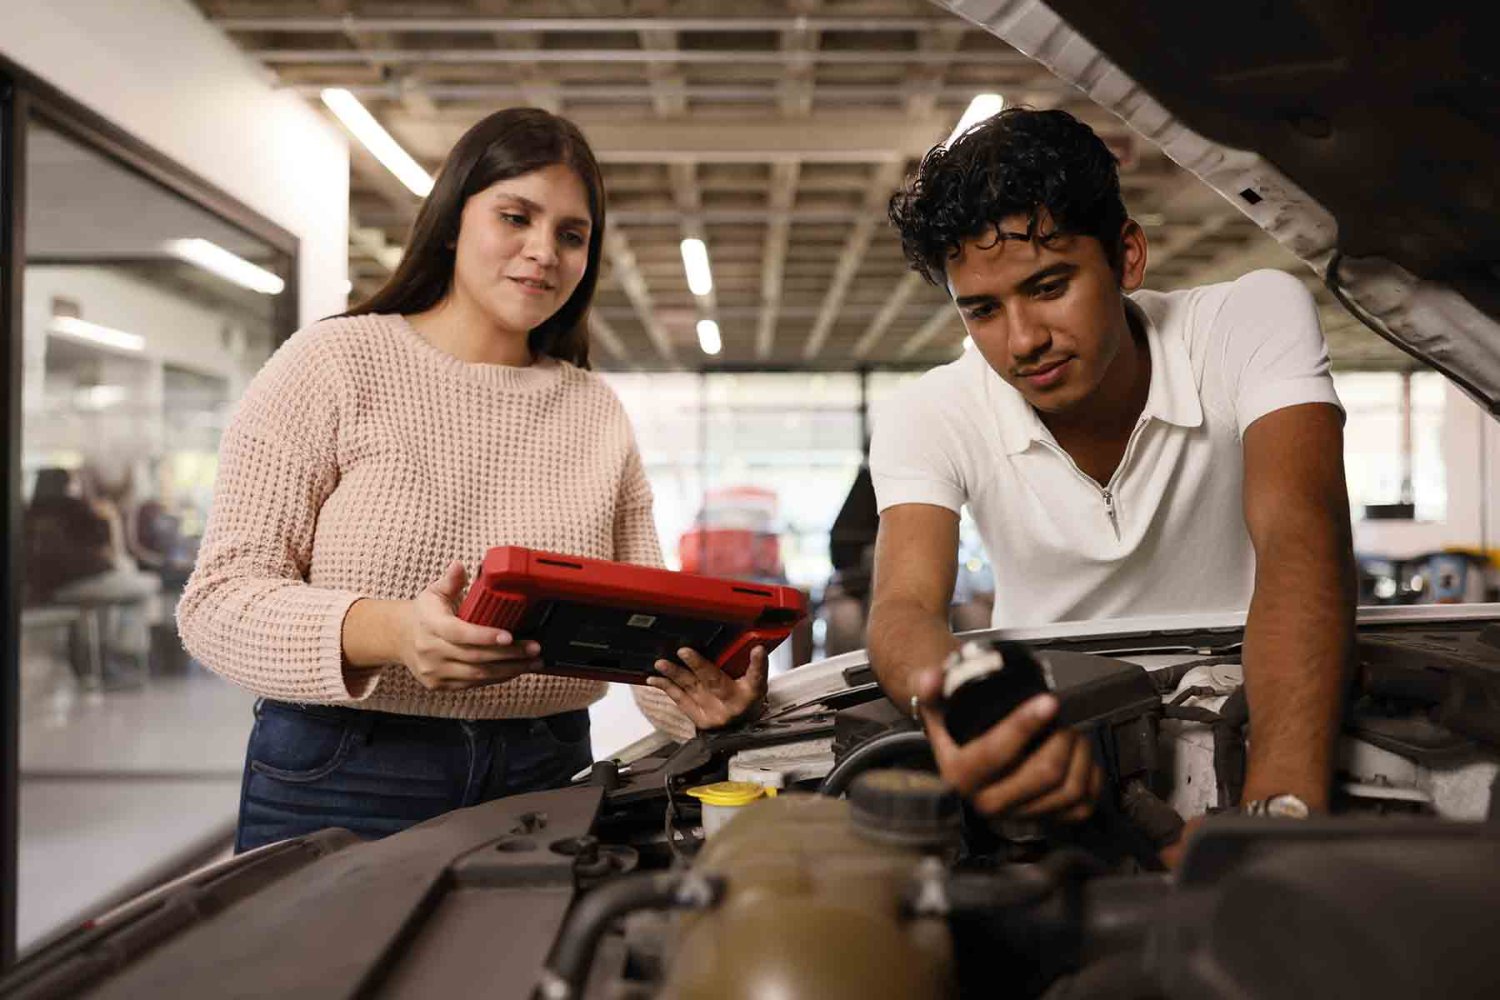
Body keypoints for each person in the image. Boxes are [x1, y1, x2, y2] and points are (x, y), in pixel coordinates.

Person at [178, 108, 765, 853]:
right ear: (453, 221)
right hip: (347, 769)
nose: (542, 252)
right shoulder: (330, 364)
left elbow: (635, 635)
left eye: (571, 234)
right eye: (515, 216)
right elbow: (218, 602)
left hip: (546, 770)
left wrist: (704, 698)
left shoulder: (594, 409)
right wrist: (392, 632)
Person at [868, 108, 1355, 851]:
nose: (1023, 340)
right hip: (1053, 722)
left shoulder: (1249, 322)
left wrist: (1278, 818)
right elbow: (902, 607)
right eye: (984, 310)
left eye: (1050, 285)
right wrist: (976, 714)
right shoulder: (926, 411)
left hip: (1257, 690)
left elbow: (1301, 535)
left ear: (1127, 257)